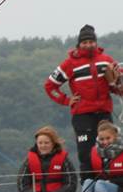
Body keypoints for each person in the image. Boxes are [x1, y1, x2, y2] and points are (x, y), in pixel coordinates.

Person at [44, 24, 119, 181]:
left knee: (110, 151)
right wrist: (66, 100)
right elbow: (50, 86)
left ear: (96, 43)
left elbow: (118, 86)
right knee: (86, 154)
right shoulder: (70, 63)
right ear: (79, 44)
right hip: (82, 114)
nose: (88, 45)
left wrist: (115, 83)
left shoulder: (106, 61)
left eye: (91, 42)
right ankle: (87, 188)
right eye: (85, 42)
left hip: (104, 112)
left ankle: (108, 186)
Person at [16, 126, 77, 192]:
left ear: (53, 143)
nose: (43, 146)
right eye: (40, 143)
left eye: (46, 143)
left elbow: (70, 184)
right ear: (36, 143)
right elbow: (22, 184)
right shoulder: (29, 161)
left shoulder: (64, 160)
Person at [83, 120, 123, 192]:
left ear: (115, 136)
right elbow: (85, 174)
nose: (105, 142)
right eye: (101, 139)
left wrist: (110, 182)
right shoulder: (94, 152)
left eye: (108, 138)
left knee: (101, 184)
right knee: (88, 182)